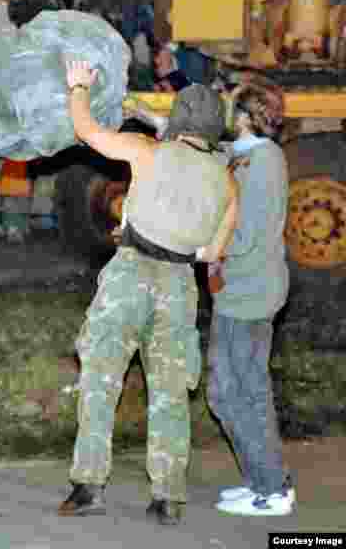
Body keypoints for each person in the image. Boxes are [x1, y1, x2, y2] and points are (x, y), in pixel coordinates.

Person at [59, 68, 238, 526]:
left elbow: (86, 130)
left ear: (176, 119)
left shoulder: (148, 152)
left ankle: (88, 486)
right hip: (179, 284)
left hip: (129, 274)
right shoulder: (227, 182)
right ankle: (167, 496)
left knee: (101, 379)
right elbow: (214, 253)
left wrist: (78, 84)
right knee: (170, 393)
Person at [208, 76, 296, 517]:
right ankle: (261, 480)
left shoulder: (262, 165)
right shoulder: (247, 155)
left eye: (230, 107)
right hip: (239, 291)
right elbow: (209, 150)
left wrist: (203, 247)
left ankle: (274, 489)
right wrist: (149, 118)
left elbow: (244, 236)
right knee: (229, 392)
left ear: (243, 117)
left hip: (250, 294)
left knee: (239, 393)